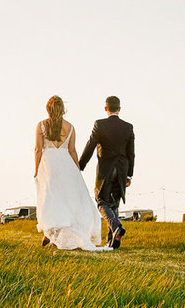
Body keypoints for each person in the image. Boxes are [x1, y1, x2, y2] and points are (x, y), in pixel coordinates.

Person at [34, 96, 109, 251]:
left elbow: (37, 149)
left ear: (48, 109)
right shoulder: (70, 127)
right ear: (63, 109)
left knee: (50, 198)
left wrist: (36, 169)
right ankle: (54, 235)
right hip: (66, 164)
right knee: (66, 199)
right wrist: (77, 170)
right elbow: (72, 150)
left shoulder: (41, 125)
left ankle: (50, 233)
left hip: (48, 163)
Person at [80, 96, 135, 250]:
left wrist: (80, 165)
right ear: (119, 108)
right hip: (122, 170)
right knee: (114, 203)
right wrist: (129, 175)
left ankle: (116, 226)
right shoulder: (128, 127)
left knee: (101, 201)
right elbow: (131, 153)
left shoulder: (100, 125)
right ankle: (112, 241)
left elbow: (90, 146)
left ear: (106, 108)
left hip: (105, 170)